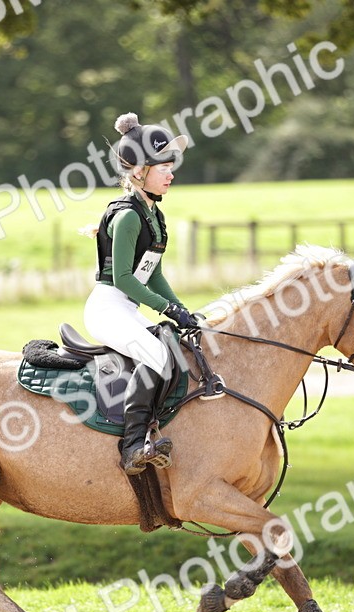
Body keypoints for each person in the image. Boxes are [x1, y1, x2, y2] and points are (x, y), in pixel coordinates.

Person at [84, 112, 199, 476]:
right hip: (107, 307)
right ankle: (133, 447)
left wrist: (183, 311)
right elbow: (123, 279)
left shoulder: (154, 216)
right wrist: (167, 309)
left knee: (176, 350)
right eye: (163, 166)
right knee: (157, 357)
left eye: (171, 166)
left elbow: (154, 275)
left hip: (127, 308)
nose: (171, 172)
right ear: (138, 172)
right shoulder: (129, 216)